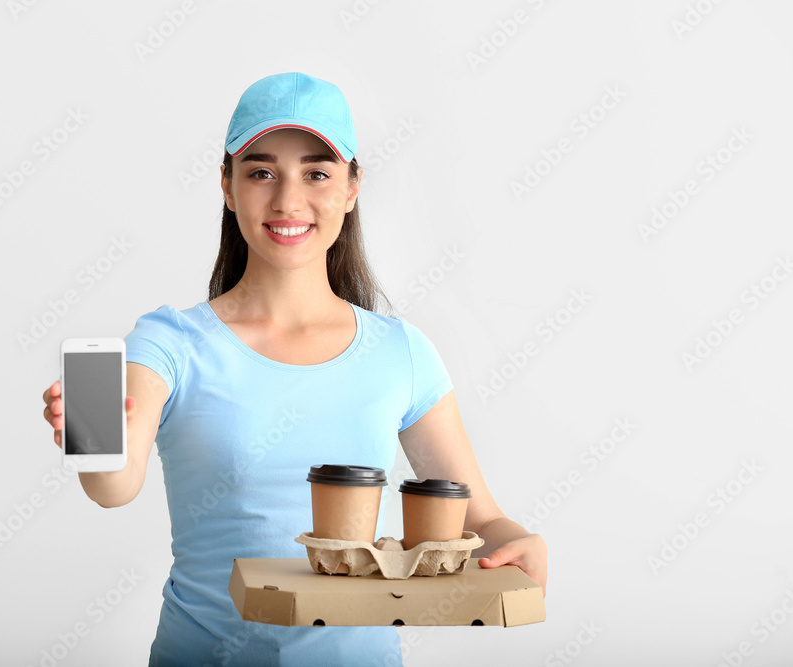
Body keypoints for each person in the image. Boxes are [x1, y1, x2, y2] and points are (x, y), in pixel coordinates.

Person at [42, 72, 548, 666]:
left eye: (317, 173)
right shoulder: (170, 342)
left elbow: (479, 517)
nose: (287, 200)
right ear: (227, 186)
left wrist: (518, 542)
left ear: (353, 187)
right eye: (260, 172)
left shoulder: (400, 352)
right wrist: (91, 437)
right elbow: (114, 487)